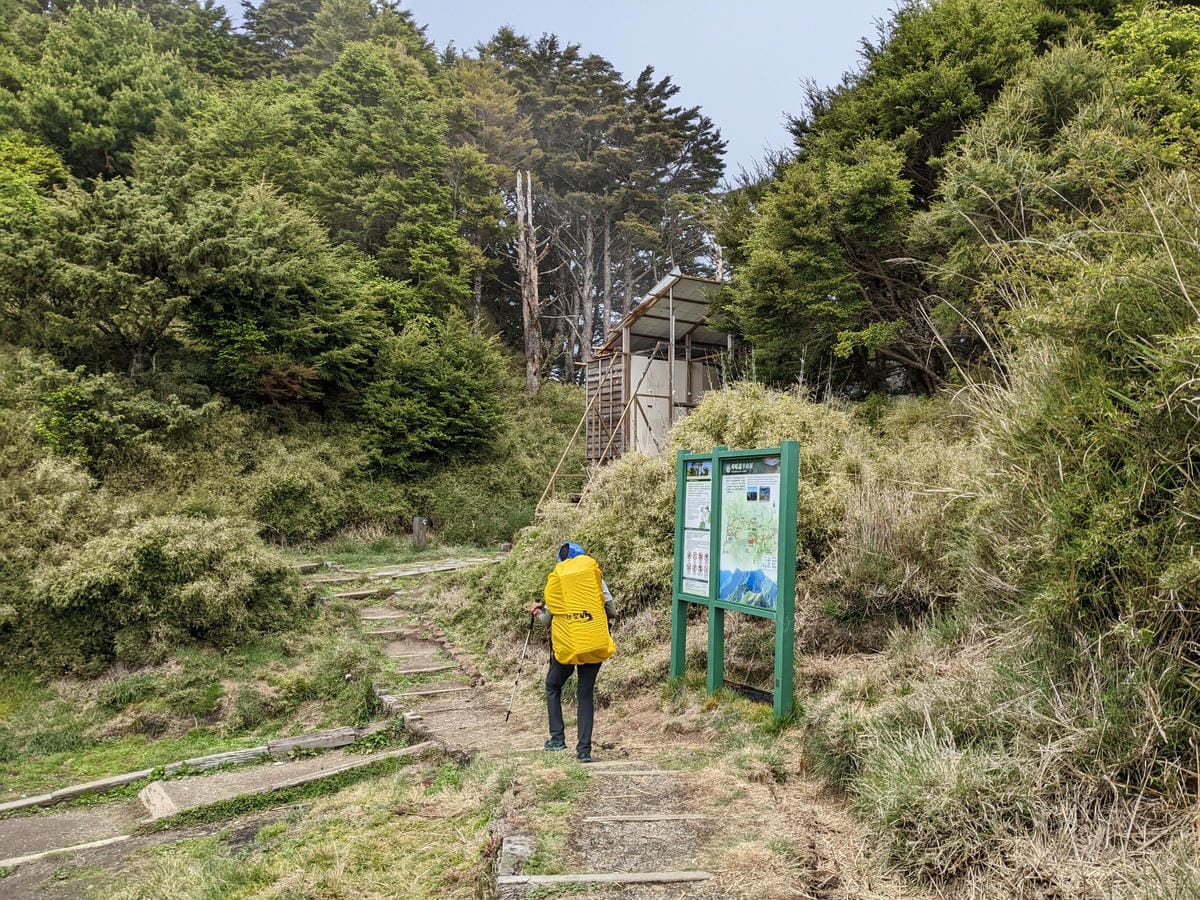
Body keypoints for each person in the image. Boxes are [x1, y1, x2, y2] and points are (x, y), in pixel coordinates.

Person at [530, 542, 616, 763]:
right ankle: (584, 751)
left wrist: (537, 611)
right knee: (585, 694)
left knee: (552, 685)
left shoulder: (558, 580)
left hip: (568, 646)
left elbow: (547, 620)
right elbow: (612, 611)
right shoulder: (595, 578)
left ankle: (557, 739)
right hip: (593, 643)